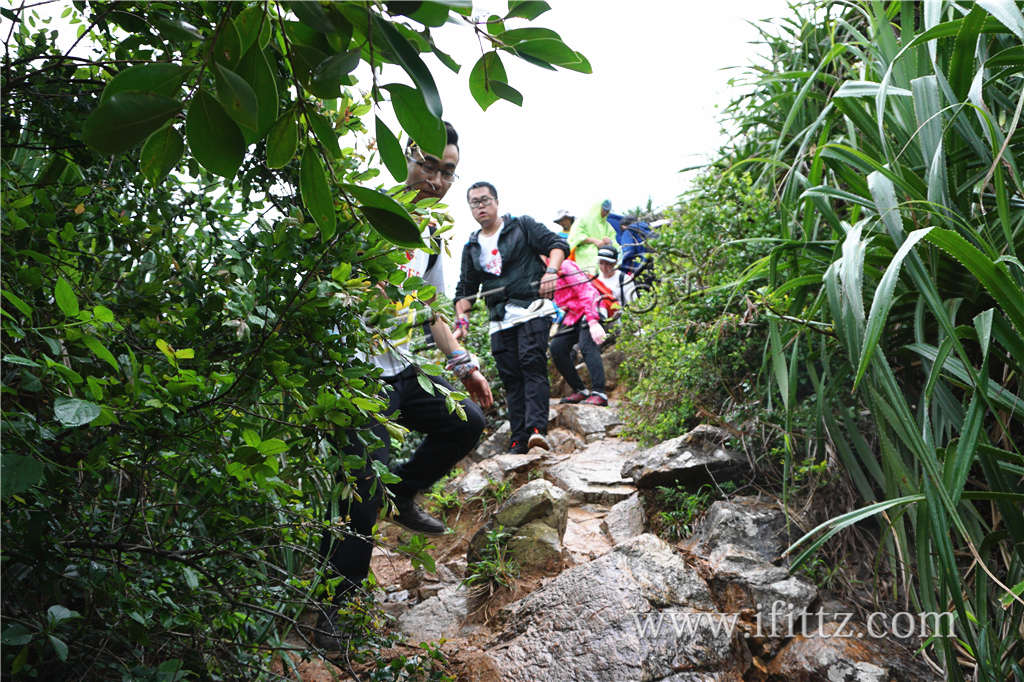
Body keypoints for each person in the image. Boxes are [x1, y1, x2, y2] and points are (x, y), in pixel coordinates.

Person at [317, 122, 493, 647]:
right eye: (428, 165)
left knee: (467, 424)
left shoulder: (431, 236)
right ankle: (333, 611)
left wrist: (464, 365)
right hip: (352, 375)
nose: (437, 180)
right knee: (358, 496)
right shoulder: (358, 210)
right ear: (401, 156)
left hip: (397, 369)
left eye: (448, 172)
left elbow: (432, 308)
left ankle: (405, 491)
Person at [453, 182, 569, 453]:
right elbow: (465, 291)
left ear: (496, 201)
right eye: (474, 203)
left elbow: (557, 244)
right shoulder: (471, 247)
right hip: (499, 319)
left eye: (485, 200)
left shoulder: (521, 226)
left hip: (532, 309)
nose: (480, 206)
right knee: (510, 376)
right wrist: (462, 320)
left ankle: (537, 430)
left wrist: (551, 271)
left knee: (531, 363)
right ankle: (519, 438)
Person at [549, 257, 609, 406]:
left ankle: (599, 392)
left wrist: (593, 321)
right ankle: (579, 390)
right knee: (557, 347)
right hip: (573, 315)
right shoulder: (543, 273)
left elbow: (587, 292)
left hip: (591, 307)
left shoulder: (566, 266)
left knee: (586, 345)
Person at [568, 199, 616, 274]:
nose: (605, 213)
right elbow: (575, 236)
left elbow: (615, 243)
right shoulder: (582, 220)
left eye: (607, 211)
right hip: (584, 259)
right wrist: (593, 241)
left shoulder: (608, 227)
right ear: (597, 208)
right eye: (604, 210)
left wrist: (609, 243)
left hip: (604, 260)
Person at [596, 245, 636, 309]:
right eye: (601, 263)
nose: (604, 267)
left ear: (615, 263)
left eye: (608, 263)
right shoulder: (596, 279)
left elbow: (634, 305)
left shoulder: (625, 279)